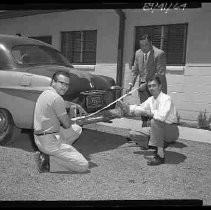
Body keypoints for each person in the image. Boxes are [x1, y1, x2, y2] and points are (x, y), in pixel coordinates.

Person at [33, 71, 89, 173]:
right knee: (83, 165)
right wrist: (72, 114)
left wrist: (75, 105)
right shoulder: (56, 98)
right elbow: (67, 124)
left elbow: (63, 103)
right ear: (53, 82)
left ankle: (56, 154)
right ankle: (47, 162)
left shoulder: (45, 93)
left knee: (76, 129)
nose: (64, 87)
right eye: (61, 83)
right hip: (49, 142)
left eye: (67, 84)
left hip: (40, 138)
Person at [117, 75, 179, 166]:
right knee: (133, 134)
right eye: (149, 86)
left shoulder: (166, 99)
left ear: (160, 86)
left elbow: (161, 117)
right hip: (158, 129)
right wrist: (128, 108)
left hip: (171, 130)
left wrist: (148, 113)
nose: (151, 88)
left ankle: (160, 156)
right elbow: (140, 108)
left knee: (155, 122)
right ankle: (157, 144)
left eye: (154, 85)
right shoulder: (150, 99)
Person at [126, 34, 167, 127]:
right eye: (141, 45)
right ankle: (143, 134)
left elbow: (160, 74)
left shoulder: (159, 54)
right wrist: (130, 85)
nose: (144, 48)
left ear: (151, 43)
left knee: (154, 113)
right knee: (144, 111)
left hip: (155, 88)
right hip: (142, 88)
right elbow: (135, 70)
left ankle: (155, 137)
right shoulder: (138, 53)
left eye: (146, 45)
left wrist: (147, 84)